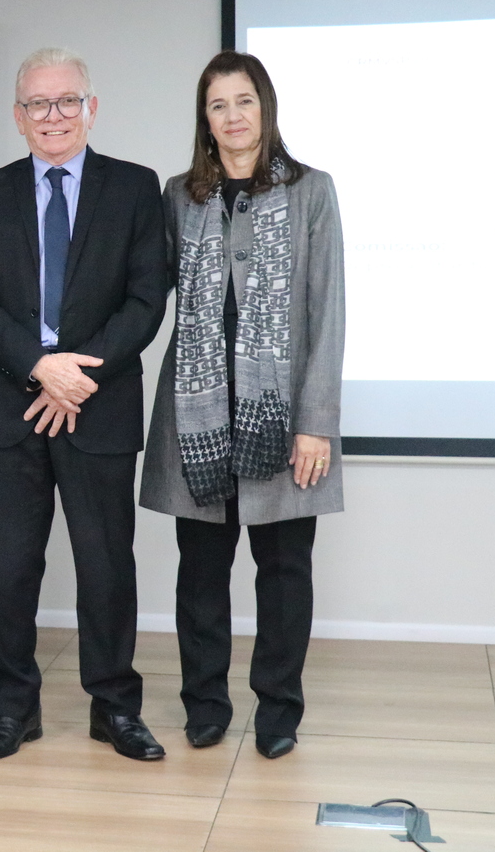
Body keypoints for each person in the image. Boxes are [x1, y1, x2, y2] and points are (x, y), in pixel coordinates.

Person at [0, 48, 169, 761]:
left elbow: (147, 298)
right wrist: (40, 368)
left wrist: (80, 376)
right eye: (37, 105)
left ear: (92, 108)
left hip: (98, 405)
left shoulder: (136, 189)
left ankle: (114, 709)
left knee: (107, 567)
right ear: (18, 116)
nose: (53, 117)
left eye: (66, 102)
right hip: (9, 406)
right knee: (9, 571)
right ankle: (12, 710)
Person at [140, 51, 345, 761]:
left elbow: (328, 312)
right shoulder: (178, 195)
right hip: (197, 420)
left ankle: (279, 711)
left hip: (284, 418)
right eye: (219, 104)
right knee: (200, 573)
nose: (233, 116)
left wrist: (316, 422)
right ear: (205, 118)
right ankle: (205, 705)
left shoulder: (311, 191)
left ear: (267, 108)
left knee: (285, 574)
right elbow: (144, 292)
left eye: (245, 101)